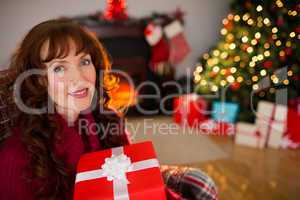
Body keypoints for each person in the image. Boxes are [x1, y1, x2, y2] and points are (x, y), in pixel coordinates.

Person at [0, 19, 218, 200]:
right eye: (59, 68)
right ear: (39, 81)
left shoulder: (106, 119)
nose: (79, 78)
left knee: (201, 184)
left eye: (84, 62)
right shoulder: (18, 158)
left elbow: (134, 182)